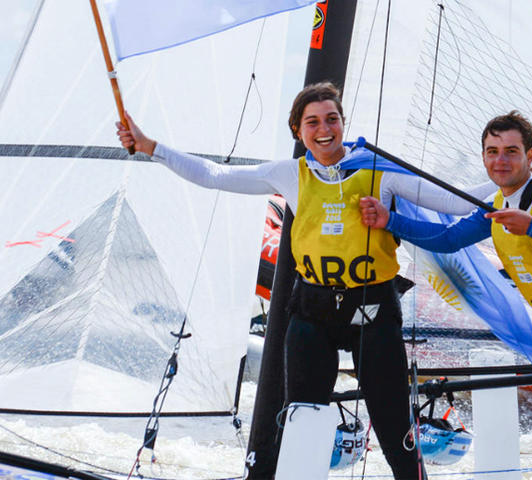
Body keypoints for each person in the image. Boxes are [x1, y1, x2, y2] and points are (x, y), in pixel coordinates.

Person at [116, 81, 494, 480]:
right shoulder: (289, 174)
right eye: (312, 122)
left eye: (332, 119)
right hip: (312, 314)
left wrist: (514, 182)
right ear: (298, 131)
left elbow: (453, 200)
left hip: (373, 311)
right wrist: (150, 147)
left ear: (343, 123)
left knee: (395, 427)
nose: (323, 128)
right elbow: (214, 175)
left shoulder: (379, 172)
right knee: (301, 424)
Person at [359, 111, 532, 480]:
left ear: (529, 155)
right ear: (483, 158)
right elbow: (448, 240)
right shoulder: (496, 204)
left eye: (512, 151)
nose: (501, 160)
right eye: (492, 151)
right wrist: (390, 221)